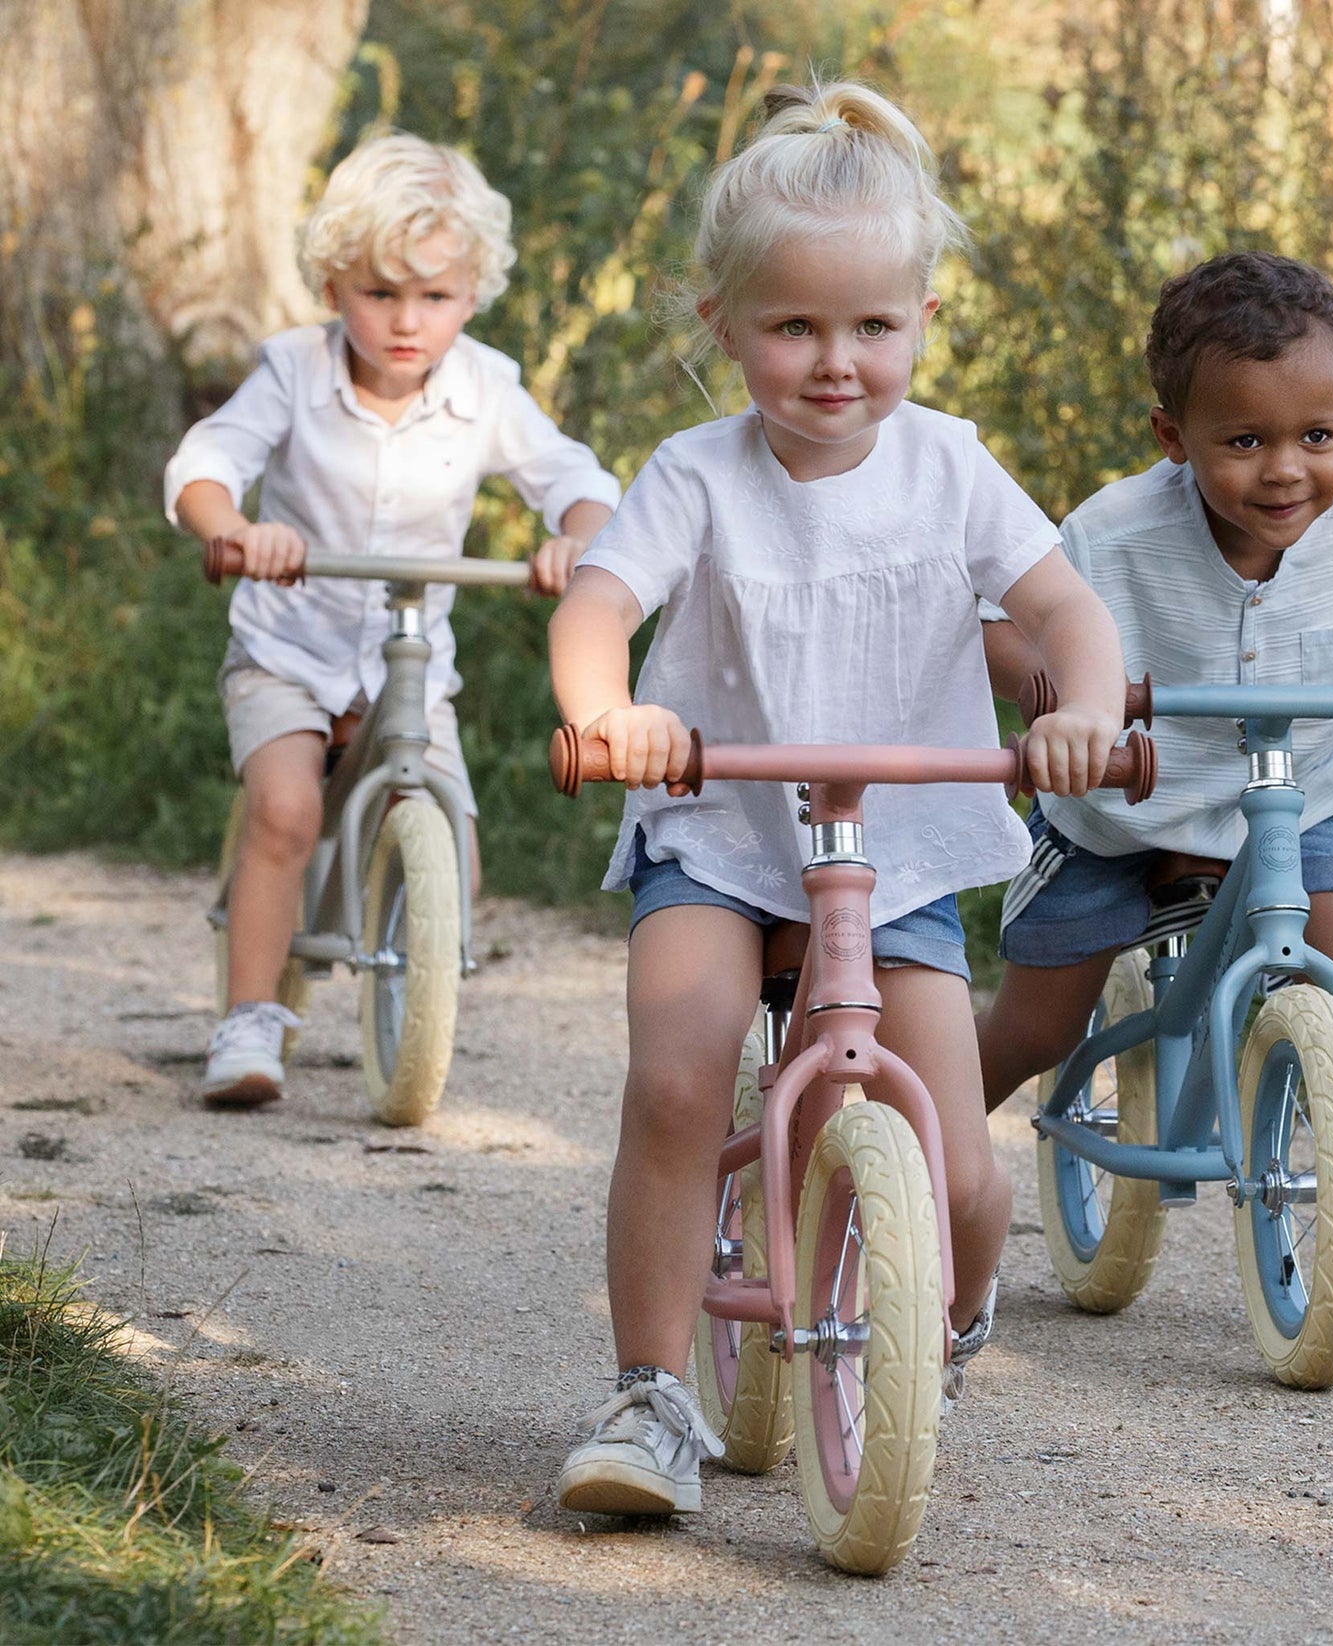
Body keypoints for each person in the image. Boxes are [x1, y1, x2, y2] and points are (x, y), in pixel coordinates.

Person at [547, 81, 1127, 1517]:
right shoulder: (697, 473)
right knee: (680, 1077)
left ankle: (943, 1308)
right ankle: (649, 1395)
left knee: (960, 1170)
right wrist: (605, 712)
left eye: (871, 326)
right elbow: (598, 599)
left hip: (902, 849)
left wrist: (1087, 708)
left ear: (922, 318)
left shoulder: (953, 465)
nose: (833, 361)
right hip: (721, 831)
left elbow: (1065, 608)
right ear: (721, 323)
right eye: (791, 327)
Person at [975, 250, 1333, 1320]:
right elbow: (1008, 626)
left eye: (1315, 436)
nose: (1283, 469)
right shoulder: (1113, 531)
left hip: (1294, 803)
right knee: (1039, 1022)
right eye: (1242, 440)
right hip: (1118, 809)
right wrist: (1053, 704)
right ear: (1169, 438)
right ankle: (910, 1165)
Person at [166, 133, 619, 1108]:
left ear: (471, 293)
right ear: (332, 285)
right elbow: (206, 460)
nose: (406, 322)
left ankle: (418, 992)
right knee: (285, 811)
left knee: (452, 832)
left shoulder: (484, 387)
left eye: (434, 297)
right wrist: (236, 527)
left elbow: (576, 479)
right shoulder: (292, 372)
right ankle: (249, 1017)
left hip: (411, 663)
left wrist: (573, 540)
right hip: (287, 650)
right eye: (379, 294)